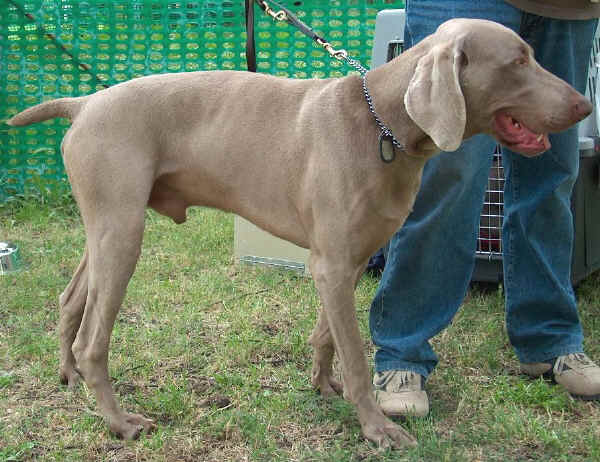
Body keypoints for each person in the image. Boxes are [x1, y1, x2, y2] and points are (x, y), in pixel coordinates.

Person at [370, 0, 600, 417]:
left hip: (567, 7)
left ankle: (549, 340)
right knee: (447, 170)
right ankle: (402, 354)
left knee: (552, 173)